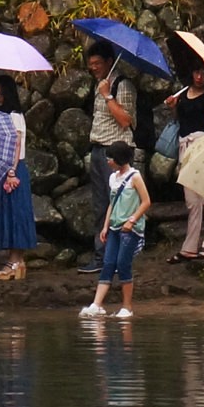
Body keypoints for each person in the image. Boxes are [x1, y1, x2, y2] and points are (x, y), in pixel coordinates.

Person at [80, 43, 137, 273]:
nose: (93, 68)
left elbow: (125, 120)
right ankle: (101, 256)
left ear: (109, 61)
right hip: (98, 149)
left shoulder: (122, 85)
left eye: (97, 64)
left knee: (119, 205)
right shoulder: (99, 84)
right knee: (101, 205)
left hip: (115, 151)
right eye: (90, 64)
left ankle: (117, 257)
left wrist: (107, 95)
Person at [80, 143, 149, 318]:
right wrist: (105, 226)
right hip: (114, 226)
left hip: (129, 228)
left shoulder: (135, 177)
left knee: (123, 263)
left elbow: (146, 202)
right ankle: (97, 304)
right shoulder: (113, 178)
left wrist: (132, 220)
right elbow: (112, 202)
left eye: (110, 158)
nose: (108, 161)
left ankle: (127, 306)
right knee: (109, 262)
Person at [166, 65, 204, 264]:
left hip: (202, 145)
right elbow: (180, 121)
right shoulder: (183, 94)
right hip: (185, 147)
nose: (199, 77)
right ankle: (189, 247)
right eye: (196, 72)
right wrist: (173, 106)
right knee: (192, 200)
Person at [0, 78, 38, 280]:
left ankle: (16, 261)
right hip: (5, 169)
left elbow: (16, 144)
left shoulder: (15, 116)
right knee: (8, 214)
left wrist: (12, 171)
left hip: (14, 169)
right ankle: (14, 260)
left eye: (1, 94)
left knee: (17, 214)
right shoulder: (2, 116)